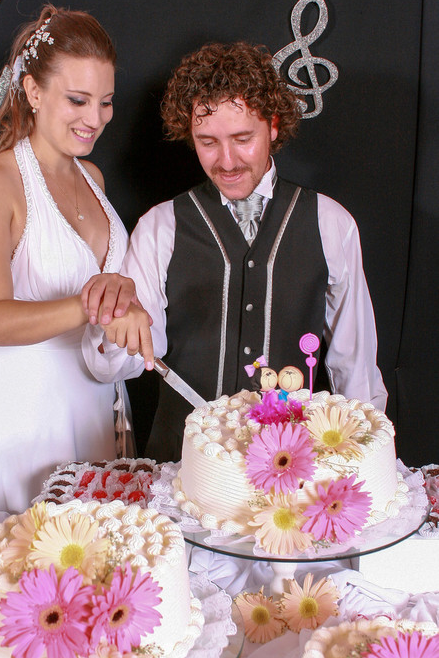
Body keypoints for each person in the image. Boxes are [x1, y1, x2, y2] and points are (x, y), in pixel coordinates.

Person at [82, 41, 387, 463]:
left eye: (243, 138)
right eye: (208, 142)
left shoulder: (331, 223)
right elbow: (123, 364)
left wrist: (366, 457)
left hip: (296, 465)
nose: (227, 161)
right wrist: (115, 326)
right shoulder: (160, 226)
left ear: (274, 126)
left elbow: (354, 365)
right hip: (182, 461)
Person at [0, 5, 139, 513]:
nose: (95, 119)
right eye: (78, 100)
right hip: (23, 416)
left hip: (96, 408)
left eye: (106, 102)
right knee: (24, 576)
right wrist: (98, 305)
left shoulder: (93, 179)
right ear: (34, 91)